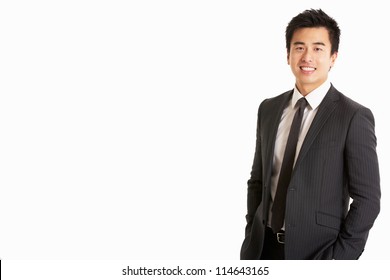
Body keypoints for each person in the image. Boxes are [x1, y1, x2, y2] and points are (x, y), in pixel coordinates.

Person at [240, 9, 381, 260]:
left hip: (317, 254)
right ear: (288, 54)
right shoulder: (268, 109)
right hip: (262, 250)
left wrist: (339, 259)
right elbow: (257, 181)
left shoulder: (353, 116)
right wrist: (252, 233)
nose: (307, 57)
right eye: (299, 47)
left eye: (318, 49)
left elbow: (368, 200)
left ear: (333, 57)